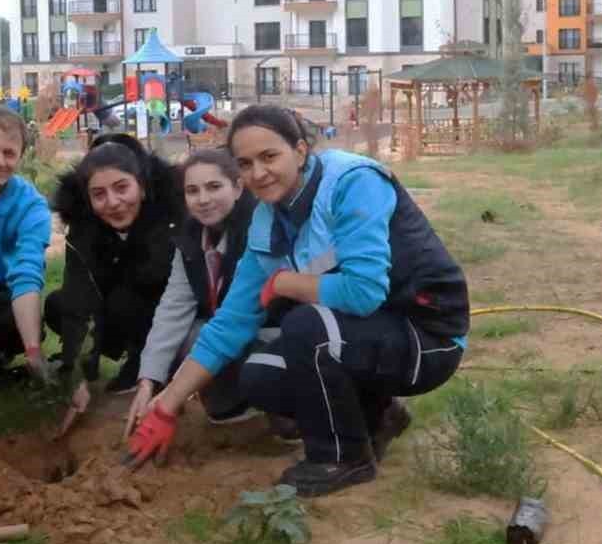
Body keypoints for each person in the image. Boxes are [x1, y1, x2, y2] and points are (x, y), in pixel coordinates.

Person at [127, 104, 469, 498]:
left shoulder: (353, 182)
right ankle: (378, 416)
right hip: (370, 336)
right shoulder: (268, 221)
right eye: (245, 163)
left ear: (301, 151)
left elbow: (363, 292)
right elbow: (230, 323)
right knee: (258, 375)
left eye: (269, 156)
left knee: (306, 326)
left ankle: (342, 458)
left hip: (428, 337)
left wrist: (286, 282)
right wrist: (167, 404)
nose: (258, 173)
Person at [45, 133, 181, 434]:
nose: (113, 203)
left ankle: (150, 362)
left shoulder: (171, 214)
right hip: (115, 309)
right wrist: (79, 374)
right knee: (58, 304)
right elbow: (78, 296)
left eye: (122, 188)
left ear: (142, 187)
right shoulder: (83, 226)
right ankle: (94, 363)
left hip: (167, 310)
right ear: (88, 199)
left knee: (127, 297)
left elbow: (178, 288)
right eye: (99, 194)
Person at [123, 148, 259, 436]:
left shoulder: (259, 229)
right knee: (187, 333)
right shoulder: (190, 237)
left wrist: (171, 396)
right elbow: (173, 307)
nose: (204, 199)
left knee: (203, 335)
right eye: (192, 191)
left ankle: (281, 415)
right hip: (228, 333)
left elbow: (243, 316)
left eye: (214, 187)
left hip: (269, 330)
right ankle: (228, 409)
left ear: (237, 187)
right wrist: (148, 380)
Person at [0, 108, 54, 383]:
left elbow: (27, 271)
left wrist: (33, 351)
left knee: (22, 324)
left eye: (9, 153)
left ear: (21, 155)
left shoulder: (32, 206)